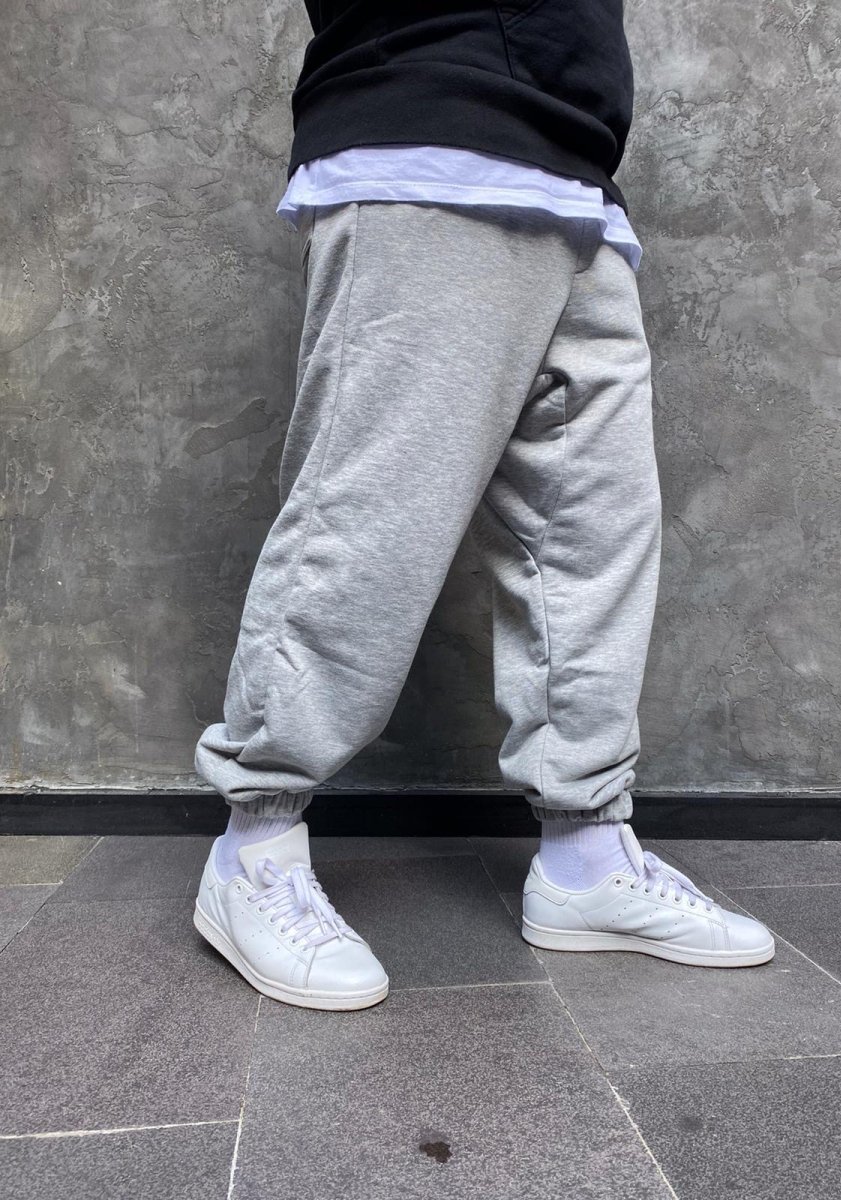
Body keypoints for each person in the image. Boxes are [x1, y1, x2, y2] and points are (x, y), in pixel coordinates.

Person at [191, 0, 775, 1010]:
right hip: (430, 123)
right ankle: (254, 849)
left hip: (578, 171)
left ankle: (586, 858)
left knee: (593, 538)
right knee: (368, 522)